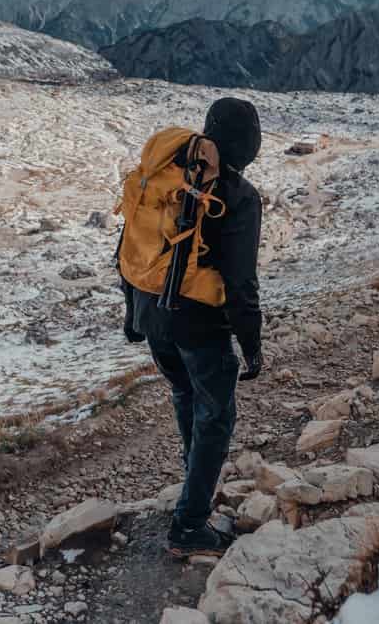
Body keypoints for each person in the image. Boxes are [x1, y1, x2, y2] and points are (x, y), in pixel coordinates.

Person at [126, 97, 264, 558]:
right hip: (198, 321)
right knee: (217, 415)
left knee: (185, 397)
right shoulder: (238, 195)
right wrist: (252, 345)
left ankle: (194, 489)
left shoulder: (168, 174)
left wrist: (132, 313)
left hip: (151, 311)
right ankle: (188, 525)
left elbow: (132, 244)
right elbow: (241, 282)